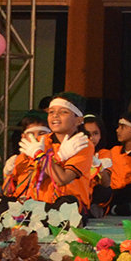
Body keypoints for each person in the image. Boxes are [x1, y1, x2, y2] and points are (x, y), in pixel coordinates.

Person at [28, 93, 96, 221]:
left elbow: (62, 179)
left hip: (70, 203)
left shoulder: (83, 144)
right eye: (51, 112)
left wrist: (41, 157)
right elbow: (34, 178)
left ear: (79, 120)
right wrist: (58, 157)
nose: (55, 116)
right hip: (40, 202)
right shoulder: (41, 141)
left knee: (66, 204)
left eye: (63, 112)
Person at [1, 113, 48, 201]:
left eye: (42, 133)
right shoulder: (17, 160)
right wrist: (8, 175)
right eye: (31, 134)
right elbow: (7, 193)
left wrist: (40, 156)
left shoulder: (55, 157)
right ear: (23, 136)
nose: (36, 137)